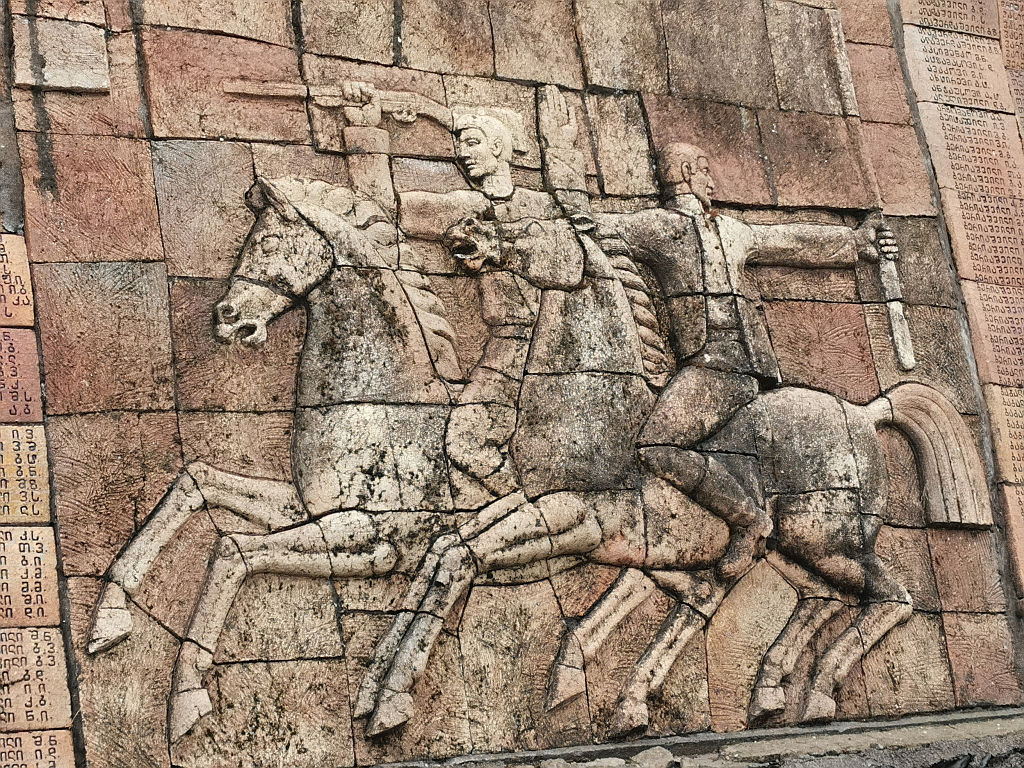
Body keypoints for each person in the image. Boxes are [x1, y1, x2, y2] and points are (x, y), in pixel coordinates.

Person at [592, 142, 899, 579]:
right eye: (704, 169)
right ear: (685, 172)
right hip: (710, 363)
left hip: (726, 369)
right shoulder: (659, 227)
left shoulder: (731, 230)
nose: (712, 181)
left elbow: (789, 241)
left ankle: (749, 519)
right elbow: (598, 226)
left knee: (657, 445)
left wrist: (855, 242)